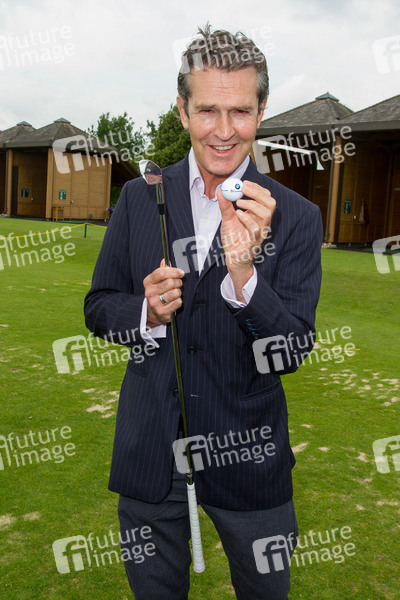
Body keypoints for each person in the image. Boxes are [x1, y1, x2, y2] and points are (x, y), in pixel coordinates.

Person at [84, 24, 322, 600]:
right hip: (151, 454)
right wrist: (145, 313)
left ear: (261, 110)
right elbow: (99, 306)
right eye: (207, 110)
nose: (223, 131)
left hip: (250, 461)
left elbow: (289, 351)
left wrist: (244, 276)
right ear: (182, 110)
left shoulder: (297, 215)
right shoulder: (139, 196)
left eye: (240, 111)